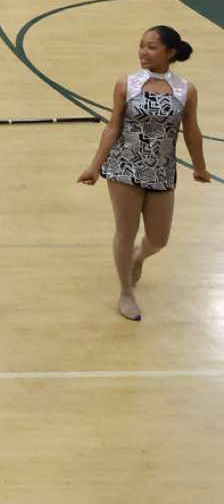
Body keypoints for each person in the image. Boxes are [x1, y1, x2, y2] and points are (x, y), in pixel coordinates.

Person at [78, 25, 209, 321]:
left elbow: (192, 131)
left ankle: (139, 257)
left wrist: (199, 166)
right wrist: (95, 166)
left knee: (159, 238)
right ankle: (126, 292)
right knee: (126, 231)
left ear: (170, 52)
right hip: (124, 167)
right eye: (141, 45)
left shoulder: (185, 90)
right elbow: (112, 128)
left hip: (162, 171)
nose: (143, 52)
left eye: (151, 47)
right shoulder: (127, 84)